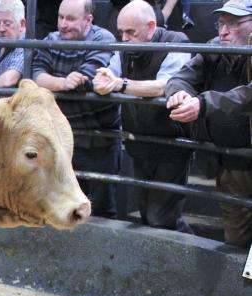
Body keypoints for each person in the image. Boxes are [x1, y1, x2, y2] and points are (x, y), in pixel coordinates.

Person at [93, 0, 193, 233]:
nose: (124, 38)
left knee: (161, 217)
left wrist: (120, 84)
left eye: (131, 32)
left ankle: (188, 250)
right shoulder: (125, 48)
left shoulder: (176, 42)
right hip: (139, 141)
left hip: (172, 144)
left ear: (151, 27)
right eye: (121, 32)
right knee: (147, 213)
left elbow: (166, 85)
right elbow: (108, 77)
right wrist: (102, 80)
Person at [165, 0, 252, 247]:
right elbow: (180, 78)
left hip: (240, 152)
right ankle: (240, 273)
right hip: (232, 159)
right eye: (221, 24)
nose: (223, 31)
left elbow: (247, 95)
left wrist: (203, 103)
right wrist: (179, 94)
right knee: (237, 235)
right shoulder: (215, 48)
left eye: (233, 24)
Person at [32, 0, 121, 218]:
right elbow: (36, 76)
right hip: (63, 139)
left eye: (70, 19)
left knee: (101, 208)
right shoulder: (51, 40)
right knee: (66, 205)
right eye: (60, 17)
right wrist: (63, 83)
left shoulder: (103, 39)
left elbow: (86, 80)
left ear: (88, 20)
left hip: (98, 139)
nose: (63, 24)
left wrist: (55, 86)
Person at [0, 0, 25, 87]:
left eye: (7, 24)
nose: (1, 29)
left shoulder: (26, 46)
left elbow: (9, 79)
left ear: (22, 24)